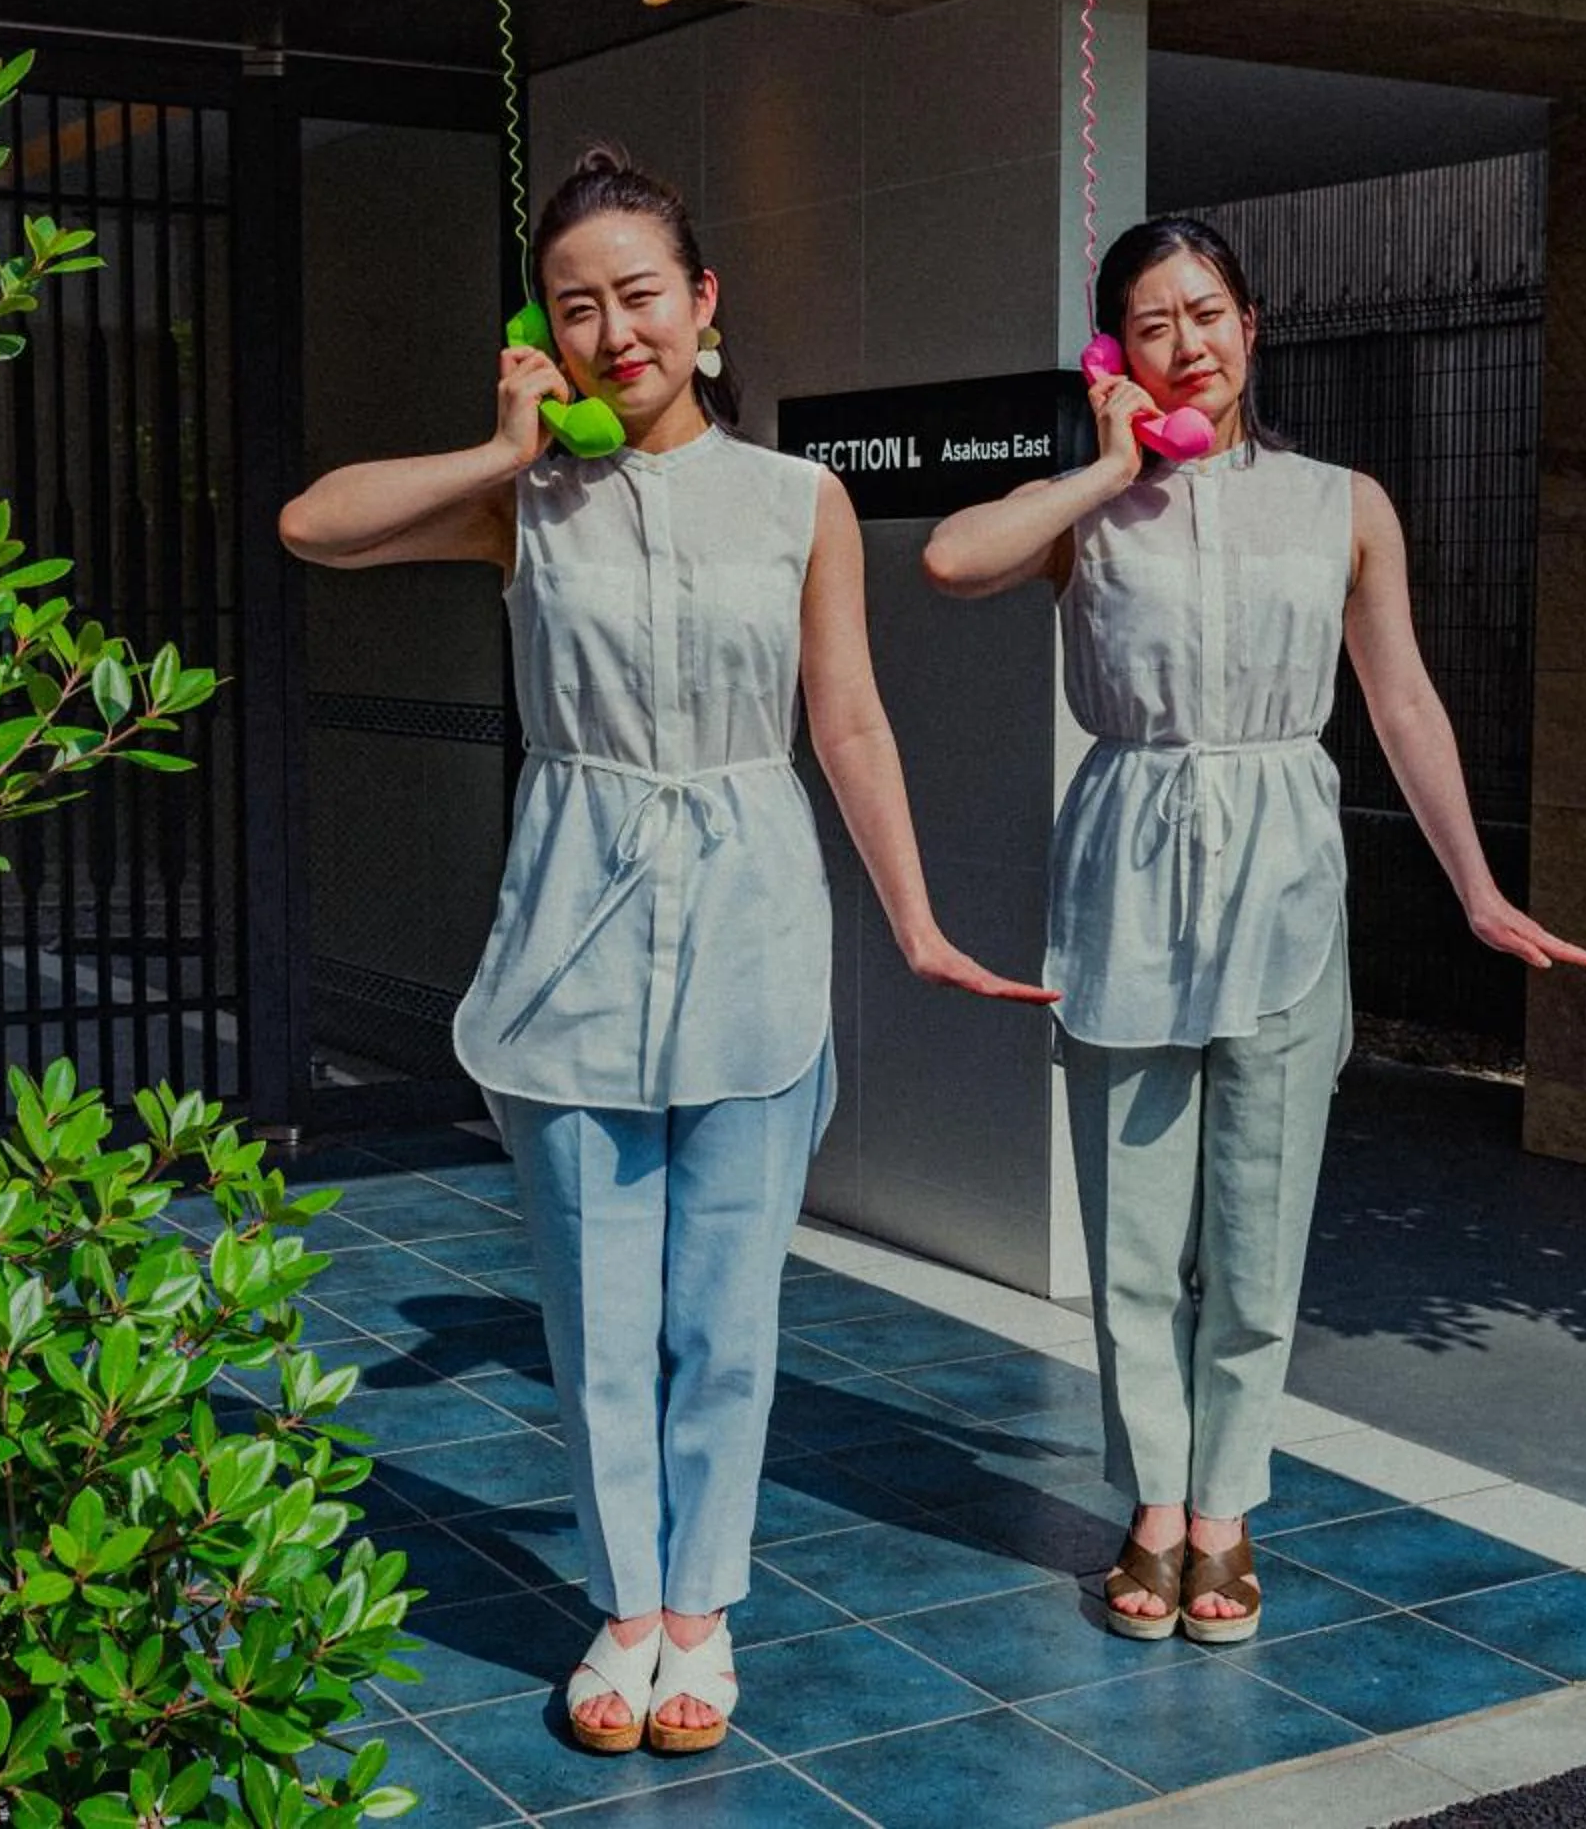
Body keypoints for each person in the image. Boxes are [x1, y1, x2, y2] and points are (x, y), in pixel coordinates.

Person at [279, 145, 1050, 1752]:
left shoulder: (799, 500)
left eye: (639, 296)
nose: (612, 331)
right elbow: (315, 528)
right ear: (541, 336)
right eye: (576, 309)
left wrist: (914, 922)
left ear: (704, 306)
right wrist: (495, 447)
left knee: (725, 1308)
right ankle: (623, 1612)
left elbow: (846, 719)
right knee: (594, 1306)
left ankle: (703, 1616)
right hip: (572, 922)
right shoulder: (527, 500)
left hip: (756, 918)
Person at [920, 215, 1586, 1643]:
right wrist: (1106, 464)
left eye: (1209, 310)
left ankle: (1225, 1507)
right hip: (1124, 879)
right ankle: (1154, 1504)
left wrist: (1474, 887)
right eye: (1154, 320)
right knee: (1133, 1229)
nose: (1190, 343)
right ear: (1115, 347)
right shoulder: (1090, 507)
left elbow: (1402, 698)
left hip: (1285, 880)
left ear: (1253, 323)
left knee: (1257, 1223)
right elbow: (950, 563)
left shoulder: (1341, 501)